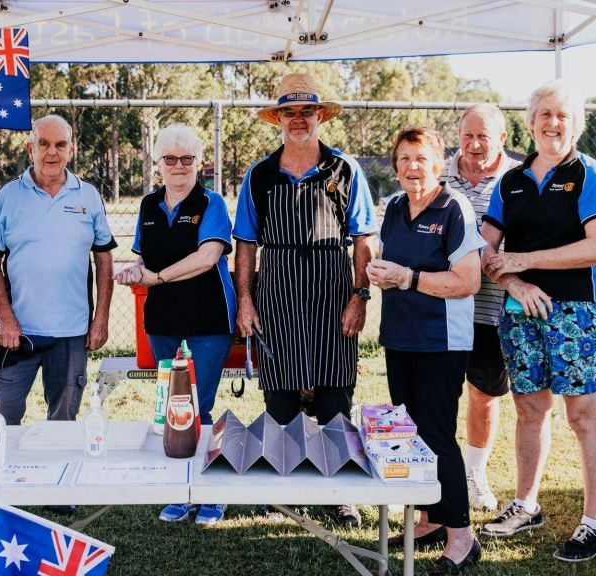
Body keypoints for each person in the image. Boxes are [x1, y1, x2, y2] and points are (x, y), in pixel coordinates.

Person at [233, 72, 377, 526]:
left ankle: (339, 489)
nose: (298, 119)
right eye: (289, 112)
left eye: (306, 111)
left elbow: (363, 239)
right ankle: (280, 483)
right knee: (280, 392)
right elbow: (245, 246)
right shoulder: (260, 174)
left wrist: (360, 296)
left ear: (320, 116)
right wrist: (245, 300)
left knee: (335, 391)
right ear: (277, 118)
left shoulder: (345, 169)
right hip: (275, 288)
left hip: (333, 290)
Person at [480, 80, 596, 563]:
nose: (553, 123)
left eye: (563, 116)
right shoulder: (510, 182)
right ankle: (525, 504)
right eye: (545, 115)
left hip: (579, 311)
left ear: (576, 124)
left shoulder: (590, 174)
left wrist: (525, 259)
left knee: (582, 415)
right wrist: (514, 280)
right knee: (530, 410)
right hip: (521, 312)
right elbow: (485, 247)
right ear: (530, 121)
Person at [0, 114, 116, 524]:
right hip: (17, 333)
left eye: (60, 145)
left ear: (71, 149)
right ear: (30, 148)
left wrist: (100, 317)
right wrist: (5, 316)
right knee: (1, 413)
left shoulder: (88, 196)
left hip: (72, 331)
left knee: (64, 415)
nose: (52, 152)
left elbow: (103, 258)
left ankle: (60, 488)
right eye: (44, 144)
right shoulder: (8, 197)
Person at [367, 126, 485, 574]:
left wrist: (407, 277)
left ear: (438, 164)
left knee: (435, 434)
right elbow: (392, 262)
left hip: (441, 343)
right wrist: (383, 273)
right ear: (394, 165)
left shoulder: (454, 209)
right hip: (400, 338)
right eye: (403, 159)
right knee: (409, 438)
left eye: (420, 158)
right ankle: (428, 520)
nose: (412, 167)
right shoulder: (395, 207)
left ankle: (461, 536)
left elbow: (468, 281)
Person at [114, 123, 236, 525]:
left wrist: (158, 278)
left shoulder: (211, 203)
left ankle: (212, 492)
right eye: (170, 158)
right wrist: (134, 272)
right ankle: (180, 490)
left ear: (198, 163)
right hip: (163, 320)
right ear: (158, 163)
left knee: (201, 406)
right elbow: (144, 260)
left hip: (208, 318)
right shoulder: (149, 206)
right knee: (171, 405)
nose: (179, 166)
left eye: (187, 159)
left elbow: (207, 257)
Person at [444, 104, 520, 511]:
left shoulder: (518, 181)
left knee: (483, 395)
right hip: (439, 308)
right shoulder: (437, 173)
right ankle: (435, 472)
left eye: (484, 137)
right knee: (437, 394)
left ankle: (474, 474)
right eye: (467, 136)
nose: (474, 145)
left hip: (490, 310)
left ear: (503, 139)